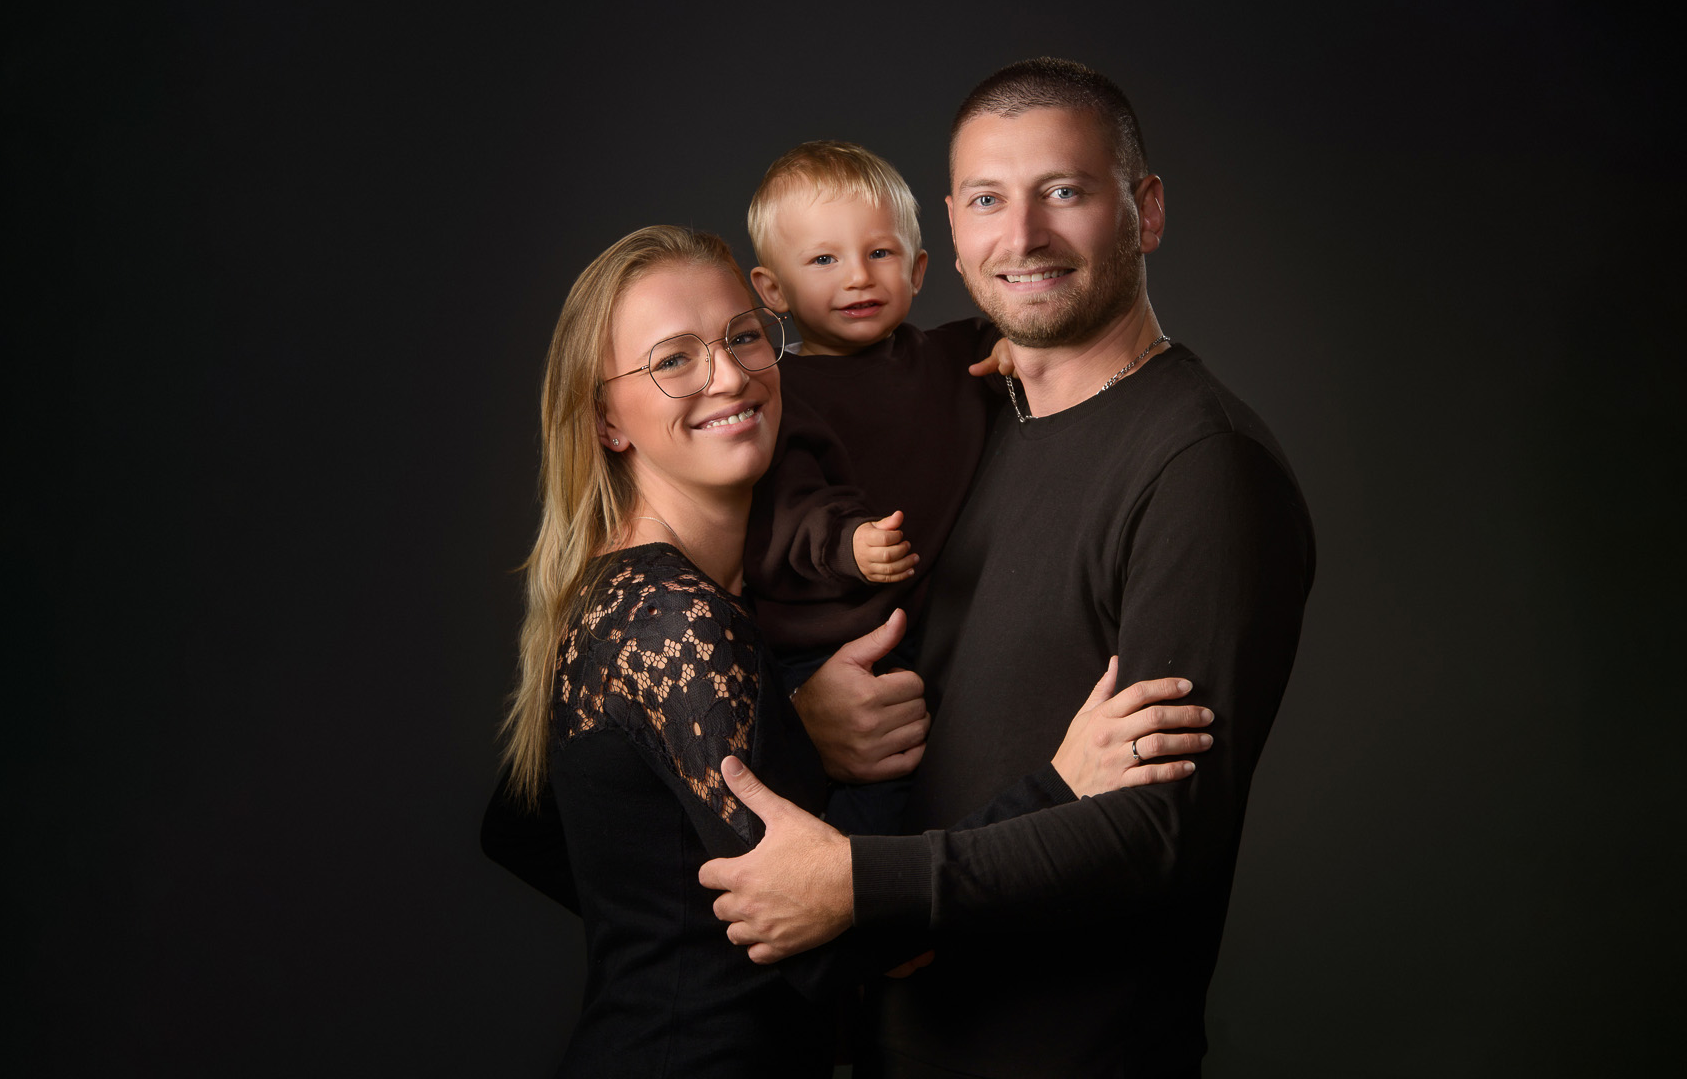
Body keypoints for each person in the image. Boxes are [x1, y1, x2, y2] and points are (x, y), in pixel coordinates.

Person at [481, 223, 1218, 1077]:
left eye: (744, 336)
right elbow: (843, 946)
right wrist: (1063, 786)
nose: (729, 376)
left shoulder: (641, 594)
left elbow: (521, 827)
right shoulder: (675, 623)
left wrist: (778, 745)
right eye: (672, 360)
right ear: (609, 419)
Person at [700, 59, 1316, 1078]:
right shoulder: (972, 422)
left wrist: (865, 885)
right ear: (952, 224)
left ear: (1146, 211)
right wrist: (805, 727)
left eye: (1064, 192)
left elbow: (1160, 835)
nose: (1021, 236)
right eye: (990, 198)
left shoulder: (1202, 467)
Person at [741, 140, 1002, 831]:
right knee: (875, 789)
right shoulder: (781, 392)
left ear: (917, 269)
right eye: (824, 260)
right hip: (828, 639)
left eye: (879, 254)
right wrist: (848, 543)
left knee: (952, 782)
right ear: (773, 290)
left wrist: (1019, 348)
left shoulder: (955, 358)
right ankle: (860, 915)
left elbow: (1014, 333)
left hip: (925, 628)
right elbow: (789, 505)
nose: (857, 276)